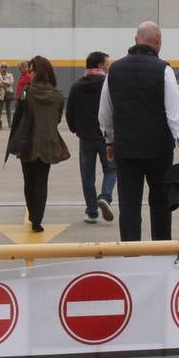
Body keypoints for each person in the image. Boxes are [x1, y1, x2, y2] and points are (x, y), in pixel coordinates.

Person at [98, 21, 179, 242]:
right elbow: (175, 115)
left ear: (135, 40)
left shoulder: (114, 70)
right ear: (158, 41)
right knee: (160, 203)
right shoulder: (164, 70)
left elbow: (105, 113)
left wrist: (110, 142)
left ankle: (131, 254)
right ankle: (161, 253)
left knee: (129, 205)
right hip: (158, 150)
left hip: (126, 150)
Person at [10, 56, 68, 233]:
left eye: (32, 70)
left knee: (29, 180)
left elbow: (18, 117)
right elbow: (57, 119)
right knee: (42, 181)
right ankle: (37, 220)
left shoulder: (28, 92)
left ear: (38, 72)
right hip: (48, 142)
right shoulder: (58, 95)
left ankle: (33, 213)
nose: (30, 73)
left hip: (27, 142)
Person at [66, 51, 116, 224]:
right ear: (100, 65)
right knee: (111, 169)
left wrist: (76, 129)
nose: (109, 66)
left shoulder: (77, 85)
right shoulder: (108, 84)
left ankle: (92, 212)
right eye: (108, 64)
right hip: (106, 137)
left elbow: (69, 112)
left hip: (85, 137)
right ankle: (106, 197)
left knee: (87, 175)